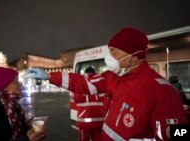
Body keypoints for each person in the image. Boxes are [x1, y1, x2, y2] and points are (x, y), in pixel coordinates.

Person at [27, 27, 188, 141]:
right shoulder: (113, 77)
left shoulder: (161, 91)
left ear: (134, 57)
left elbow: (179, 134)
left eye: (114, 51)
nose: (108, 56)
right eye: (109, 50)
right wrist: (48, 75)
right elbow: (84, 82)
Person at [0, 67, 47, 141]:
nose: (21, 84)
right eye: (15, 82)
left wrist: (27, 128)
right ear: (3, 88)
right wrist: (27, 139)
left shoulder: (11, 105)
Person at [72, 66, 109, 141]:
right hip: (99, 120)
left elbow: (76, 99)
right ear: (94, 73)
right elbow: (107, 100)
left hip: (83, 121)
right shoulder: (100, 83)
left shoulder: (80, 83)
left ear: (85, 73)